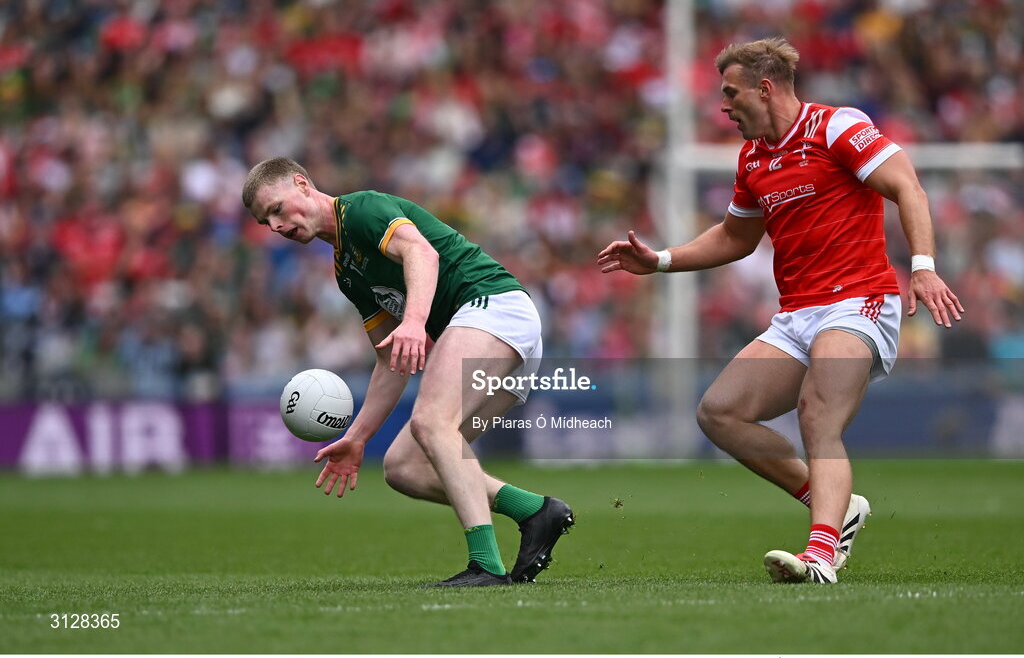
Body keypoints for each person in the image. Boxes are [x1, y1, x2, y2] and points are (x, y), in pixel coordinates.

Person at [598, 37, 963, 584]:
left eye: (731, 93)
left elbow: (907, 186)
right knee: (719, 412)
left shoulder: (835, 126)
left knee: (817, 413)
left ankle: (821, 555)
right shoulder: (752, 158)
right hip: (799, 313)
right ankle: (837, 505)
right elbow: (735, 238)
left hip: (860, 299)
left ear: (764, 88)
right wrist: (662, 260)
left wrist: (924, 265)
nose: (724, 106)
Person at [242, 157, 574, 587]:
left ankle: (486, 566)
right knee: (404, 466)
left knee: (433, 422)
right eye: (265, 221)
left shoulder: (361, 210)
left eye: (277, 209)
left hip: (494, 305)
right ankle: (535, 511)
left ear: (303, 185)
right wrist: (358, 438)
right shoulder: (347, 272)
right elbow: (390, 359)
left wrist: (415, 322)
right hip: (500, 331)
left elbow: (422, 251)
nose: (276, 226)